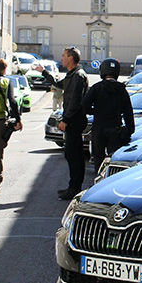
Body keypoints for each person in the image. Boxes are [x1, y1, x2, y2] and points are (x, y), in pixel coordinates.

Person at [40, 47, 89, 200]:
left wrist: (65, 120)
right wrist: (44, 72)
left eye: (63, 56)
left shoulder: (78, 76)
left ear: (71, 58)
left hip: (74, 121)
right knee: (71, 154)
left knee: (74, 155)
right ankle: (72, 186)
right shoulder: (72, 75)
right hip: (72, 120)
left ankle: (75, 188)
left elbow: (75, 101)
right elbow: (59, 84)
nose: (61, 58)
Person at [83, 58, 135, 172]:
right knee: (115, 160)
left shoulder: (96, 88)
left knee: (98, 160)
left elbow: (84, 106)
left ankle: (99, 182)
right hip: (115, 130)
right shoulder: (121, 89)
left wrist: (96, 111)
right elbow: (128, 111)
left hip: (99, 129)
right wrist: (130, 129)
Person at [0, 58, 23, 199]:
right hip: (0, 122)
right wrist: (18, 120)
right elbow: (13, 103)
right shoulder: (5, 82)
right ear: (3, 69)